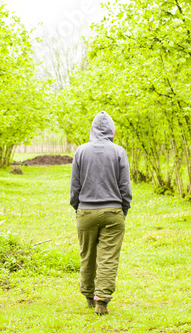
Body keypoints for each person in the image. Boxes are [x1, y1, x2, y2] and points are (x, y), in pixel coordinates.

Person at [70, 111, 132, 315]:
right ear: (113, 132)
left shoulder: (80, 151)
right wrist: (123, 210)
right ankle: (102, 301)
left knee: (87, 254)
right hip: (113, 211)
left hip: (86, 211)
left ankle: (88, 295)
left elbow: (75, 187)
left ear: (93, 130)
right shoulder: (118, 151)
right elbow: (125, 187)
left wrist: (78, 208)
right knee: (108, 257)